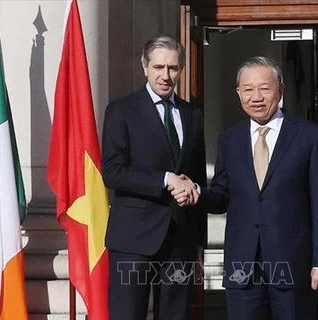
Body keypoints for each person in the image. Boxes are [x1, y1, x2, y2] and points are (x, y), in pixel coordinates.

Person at [173, 56, 318, 319]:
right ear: (239, 94)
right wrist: (197, 193)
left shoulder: (310, 136)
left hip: (292, 264)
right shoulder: (229, 139)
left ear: (281, 89)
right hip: (242, 267)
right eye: (248, 89)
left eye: (264, 88)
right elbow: (222, 195)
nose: (256, 97)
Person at [101, 34, 206, 320]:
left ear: (181, 70)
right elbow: (112, 172)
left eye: (173, 68)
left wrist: (199, 244)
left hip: (181, 240)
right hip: (133, 239)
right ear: (144, 67)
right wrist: (165, 179)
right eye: (158, 67)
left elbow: (196, 178)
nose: (165, 75)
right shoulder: (121, 110)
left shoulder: (192, 114)